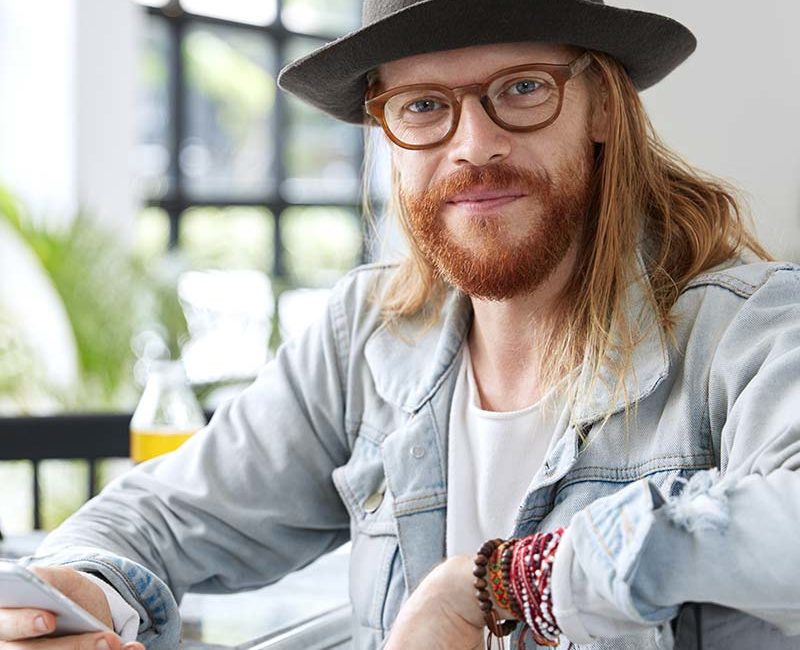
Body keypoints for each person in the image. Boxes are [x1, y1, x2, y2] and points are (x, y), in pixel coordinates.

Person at [3, 0, 800, 648]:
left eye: (523, 88)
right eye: (423, 105)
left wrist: (504, 583)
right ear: (387, 129)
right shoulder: (367, 336)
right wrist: (81, 593)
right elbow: (160, 516)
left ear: (600, 106)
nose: (474, 145)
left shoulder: (748, 331)